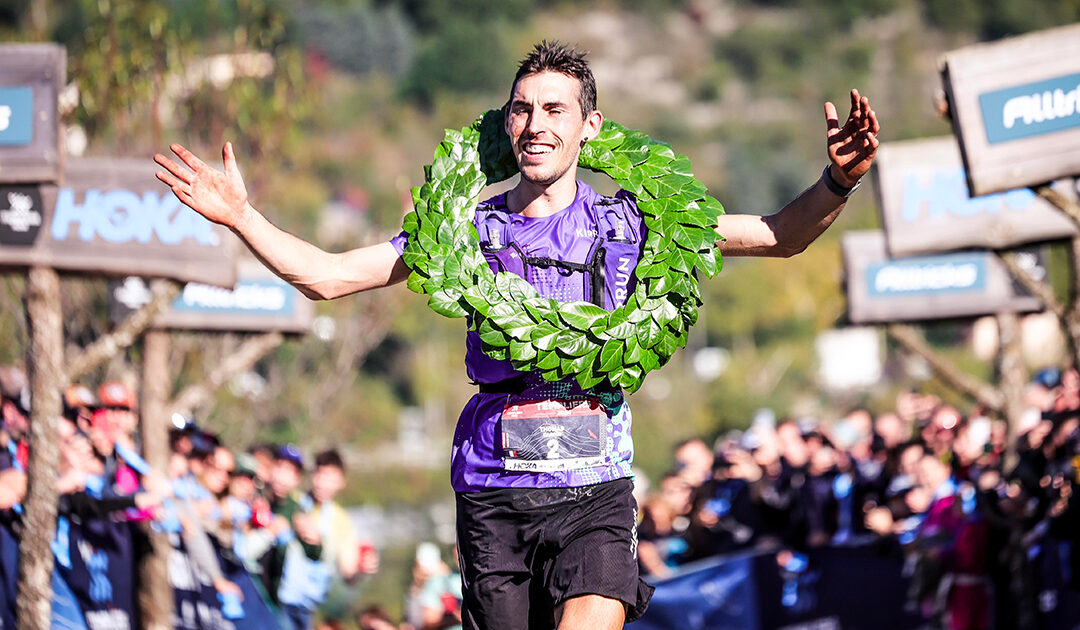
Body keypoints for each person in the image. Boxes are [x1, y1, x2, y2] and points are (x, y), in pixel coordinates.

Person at [154, 40, 879, 629]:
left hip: (594, 487)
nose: (537, 124)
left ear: (590, 128)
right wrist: (242, 217)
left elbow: (779, 235)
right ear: (507, 126)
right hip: (491, 489)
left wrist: (837, 182)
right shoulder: (465, 232)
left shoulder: (634, 223)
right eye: (523, 109)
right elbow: (328, 276)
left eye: (556, 109)